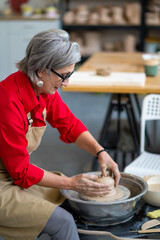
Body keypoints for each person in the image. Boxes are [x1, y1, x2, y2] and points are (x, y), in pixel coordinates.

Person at [0, 29, 120, 240]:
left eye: (70, 74)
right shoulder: (7, 101)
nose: (67, 83)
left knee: (73, 198)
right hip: (7, 179)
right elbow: (21, 171)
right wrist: (74, 183)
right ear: (40, 70)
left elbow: (70, 125)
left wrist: (100, 152)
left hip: (14, 173)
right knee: (63, 219)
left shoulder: (43, 89)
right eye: (63, 76)